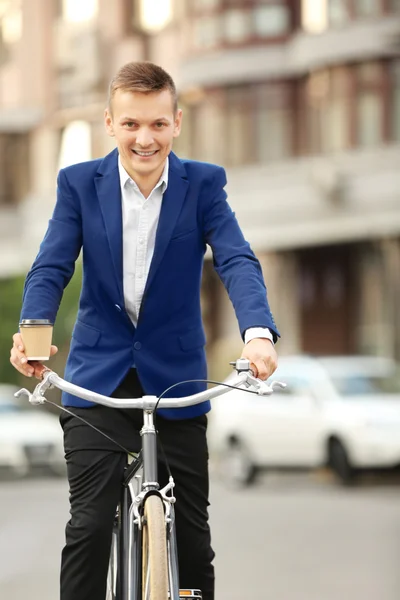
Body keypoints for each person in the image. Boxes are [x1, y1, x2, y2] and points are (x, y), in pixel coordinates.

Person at [10, 61, 280, 600]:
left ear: (177, 122)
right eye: (131, 124)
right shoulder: (79, 185)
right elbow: (51, 266)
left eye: (158, 124)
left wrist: (258, 333)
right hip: (97, 379)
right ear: (109, 124)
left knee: (195, 544)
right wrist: (32, 331)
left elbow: (236, 260)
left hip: (177, 380)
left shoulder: (203, 184)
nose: (145, 138)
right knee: (87, 527)